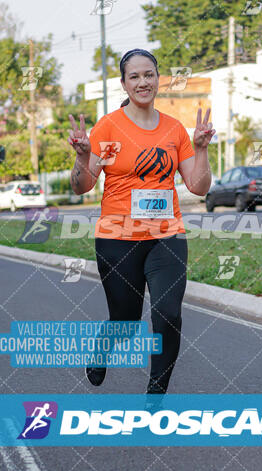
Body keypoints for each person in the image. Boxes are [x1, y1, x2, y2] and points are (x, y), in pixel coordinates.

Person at [68, 48, 215, 395]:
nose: (142, 82)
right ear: (124, 83)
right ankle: (102, 348)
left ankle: (156, 392)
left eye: (148, 74)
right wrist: (84, 156)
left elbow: (198, 185)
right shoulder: (108, 126)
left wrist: (202, 148)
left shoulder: (175, 129)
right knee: (126, 320)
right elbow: (81, 186)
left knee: (167, 313)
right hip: (117, 238)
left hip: (167, 234)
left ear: (158, 79)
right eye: (134, 76)